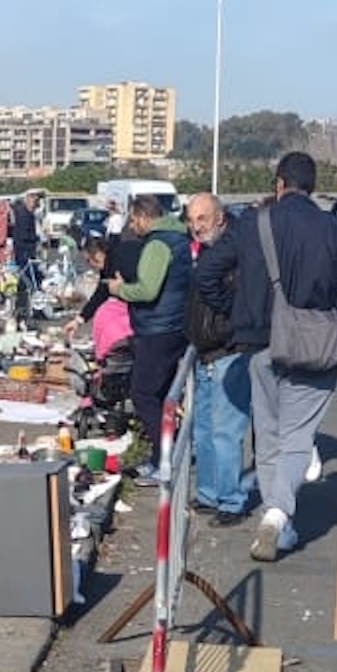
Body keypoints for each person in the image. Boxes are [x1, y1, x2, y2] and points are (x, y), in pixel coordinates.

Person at [198, 152, 337, 561]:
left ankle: (278, 524)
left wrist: (236, 313)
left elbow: (206, 272)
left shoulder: (253, 223)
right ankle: (277, 516)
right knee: (298, 437)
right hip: (316, 345)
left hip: (260, 342)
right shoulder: (333, 228)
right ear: (312, 184)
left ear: (278, 183)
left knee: (269, 437)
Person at [105, 194, 193, 486]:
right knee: (161, 395)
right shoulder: (179, 239)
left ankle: (166, 459)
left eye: (133, 219)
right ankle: (161, 455)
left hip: (158, 328)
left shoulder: (158, 244)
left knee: (143, 394)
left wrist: (120, 289)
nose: (132, 225)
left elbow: (147, 290)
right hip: (173, 326)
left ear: (144, 216)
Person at [185, 193, 253, 526]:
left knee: (226, 430)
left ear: (220, 218)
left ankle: (231, 500)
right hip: (206, 349)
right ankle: (211, 493)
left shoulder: (235, 252)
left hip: (229, 350)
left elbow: (238, 298)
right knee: (204, 429)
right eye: (192, 220)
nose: (196, 226)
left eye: (202, 219)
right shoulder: (207, 251)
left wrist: (228, 326)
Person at [64, 234, 142, 356]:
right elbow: (101, 292)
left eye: (88, 260)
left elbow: (139, 289)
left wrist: (122, 289)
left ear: (99, 255)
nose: (89, 264)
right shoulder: (109, 263)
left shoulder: (120, 260)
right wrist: (79, 320)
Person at [9, 189, 42, 326]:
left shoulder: (28, 214)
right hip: (24, 254)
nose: (37, 202)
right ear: (28, 198)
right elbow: (21, 236)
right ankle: (25, 312)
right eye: (35, 199)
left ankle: (28, 311)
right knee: (27, 283)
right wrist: (36, 238)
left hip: (27, 253)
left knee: (30, 282)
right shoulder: (23, 214)